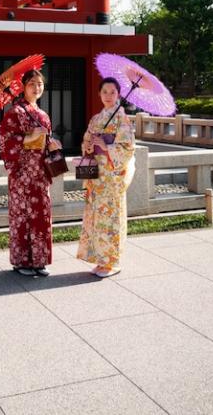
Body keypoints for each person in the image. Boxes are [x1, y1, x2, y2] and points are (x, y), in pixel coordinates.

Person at [0, 69, 61, 276]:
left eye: (40, 84)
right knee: (23, 217)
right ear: (23, 87)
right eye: (32, 83)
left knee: (41, 216)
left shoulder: (43, 115)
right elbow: (5, 142)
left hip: (40, 173)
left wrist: (51, 145)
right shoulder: (15, 113)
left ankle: (39, 261)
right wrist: (30, 137)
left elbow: (44, 143)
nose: (37, 88)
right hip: (22, 173)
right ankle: (22, 262)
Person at [77, 76, 135, 277]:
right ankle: (100, 260)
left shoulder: (122, 119)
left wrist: (106, 146)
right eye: (104, 92)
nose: (108, 96)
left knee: (111, 218)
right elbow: (86, 142)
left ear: (118, 94)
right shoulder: (96, 119)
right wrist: (89, 145)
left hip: (112, 175)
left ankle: (112, 262)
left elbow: (128, 148)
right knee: (96, 217)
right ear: (99, 95)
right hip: (96, 175)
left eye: (112, 92)